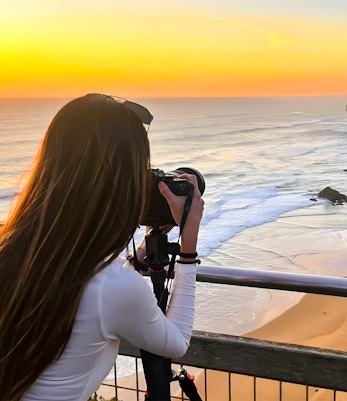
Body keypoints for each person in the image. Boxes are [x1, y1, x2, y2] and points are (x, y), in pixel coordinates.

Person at [0, 93, 204, 401]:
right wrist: (188, 249)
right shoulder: (114, 288)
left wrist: (133, 263)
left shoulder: (13, 250)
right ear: (124, 185)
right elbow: (176, 342)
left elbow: (86, 289)